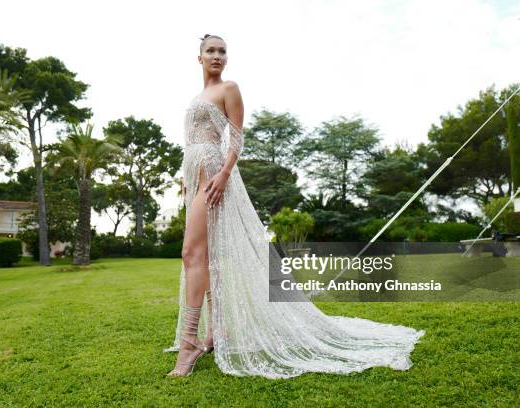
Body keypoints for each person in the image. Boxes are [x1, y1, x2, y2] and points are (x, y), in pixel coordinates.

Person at [165, 34, 425, 378]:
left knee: (190, 255)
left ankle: (189, 344)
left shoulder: (229, 89)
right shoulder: (197, 96)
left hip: (214, 179)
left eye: (222, 51)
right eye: (210, 51)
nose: (217, 55)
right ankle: (217, 332)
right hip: (195, 179)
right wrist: (186, 180)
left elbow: (237, 138)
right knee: (207, 258)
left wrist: (224, 175)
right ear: (198, 58)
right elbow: (191, 143)